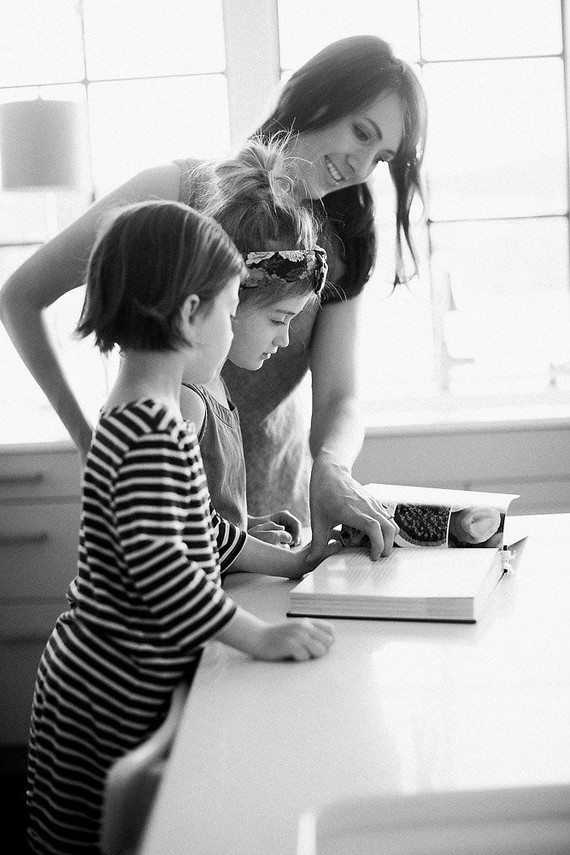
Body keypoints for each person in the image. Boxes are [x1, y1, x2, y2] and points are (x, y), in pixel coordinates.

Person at [0, 35, 426, 562]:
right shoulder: (174, 193)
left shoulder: (347, 237)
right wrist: (89, 443)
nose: (363, 166)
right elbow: (20, 296)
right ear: (316, 98)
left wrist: (332, 469)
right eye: (362, 133)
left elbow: (340, 396)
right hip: (166, 508)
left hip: (274, 505)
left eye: (381, 157)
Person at [26, 200, 334, 855]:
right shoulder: (148, 426)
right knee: (83, 838)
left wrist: (292, 561)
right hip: (106, 688)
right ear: (191, 314)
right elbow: (167, 571)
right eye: (229, 311)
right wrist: (261, 636)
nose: (231, 328)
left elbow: (198, 533)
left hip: (114, 674)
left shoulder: (154, 412)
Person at [181, 135, 330, 549]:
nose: (284, 340)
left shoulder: (214, 384)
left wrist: (244, 526)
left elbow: (201, 516)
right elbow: (176, 541)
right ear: (231, 297)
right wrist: (297, 561)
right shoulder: (186, 401)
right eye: (279, 319)